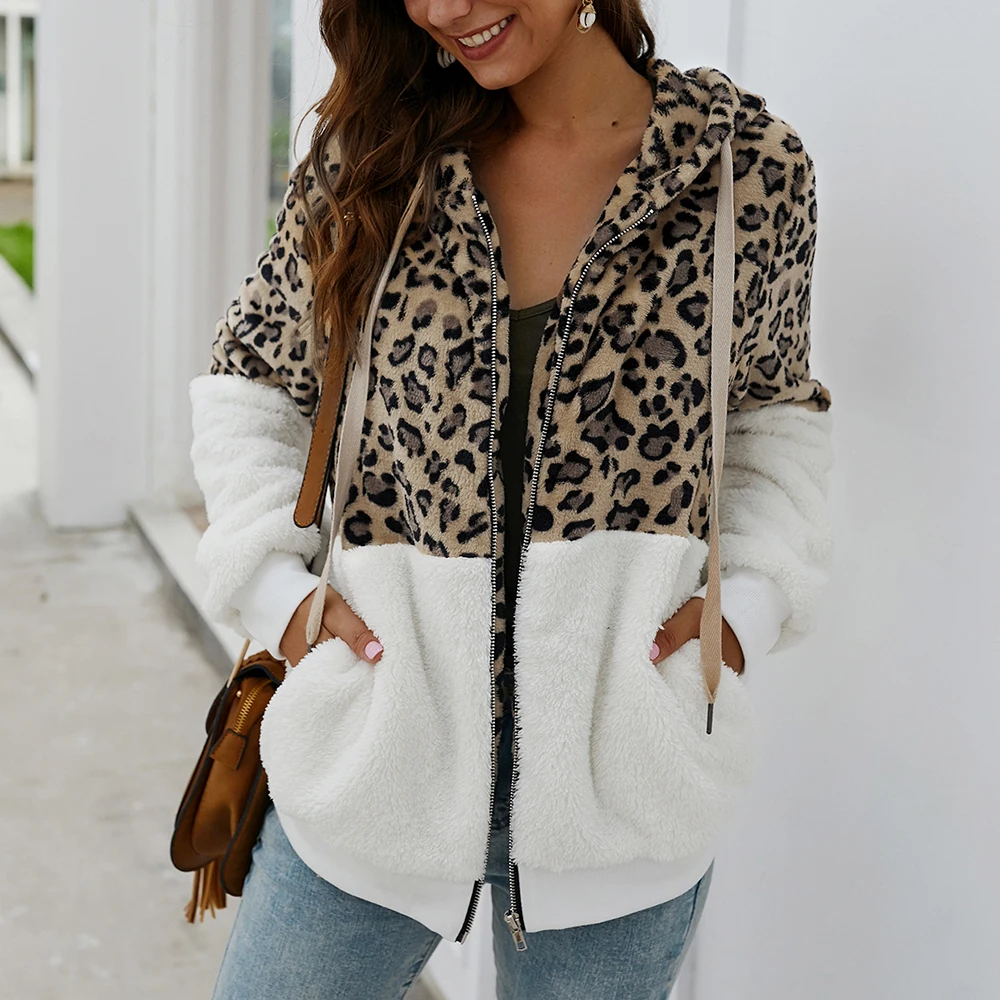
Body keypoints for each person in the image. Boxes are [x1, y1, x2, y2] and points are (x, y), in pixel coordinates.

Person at [190, 1, 834, 997]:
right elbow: (253, 379)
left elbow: (773, 413)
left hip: (625, 807)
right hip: (372, 764)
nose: (446, 9)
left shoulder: (744, 167)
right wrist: (279, 595)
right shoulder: (378, 154)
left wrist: (741, 615)